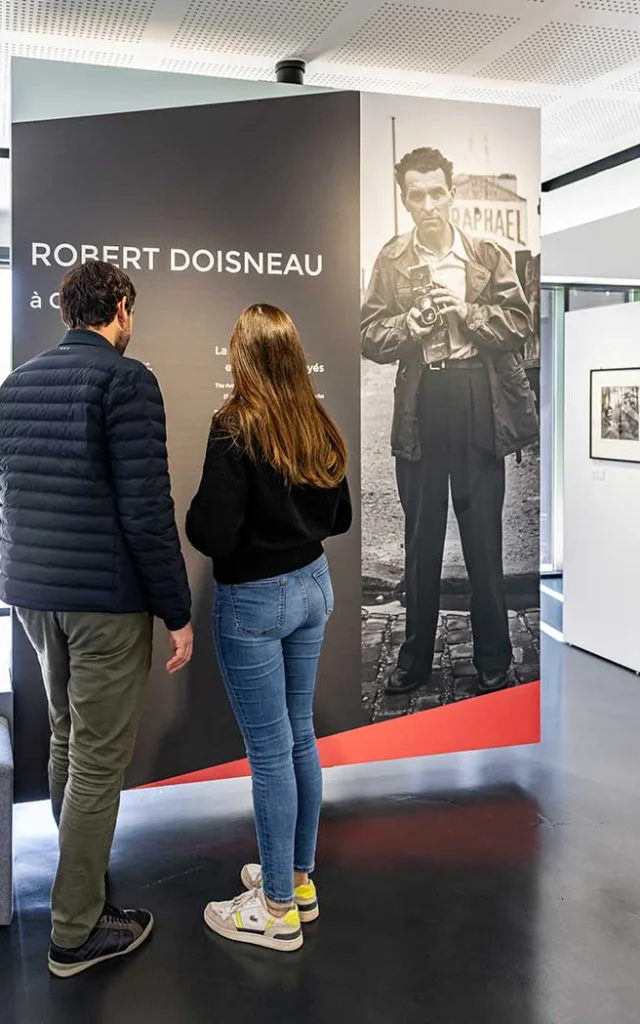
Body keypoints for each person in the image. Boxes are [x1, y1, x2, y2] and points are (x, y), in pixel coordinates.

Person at [0, 260, 193, 977]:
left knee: (66, 739)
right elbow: (146, 510)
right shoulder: (127, 380)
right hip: (103, 604)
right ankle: (76, 930)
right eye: (130, 310)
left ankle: (79, 879)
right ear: (120, 308)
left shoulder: (15, 384)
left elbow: (7, 496)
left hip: (33, 596)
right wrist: (177, 610)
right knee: (97, 762)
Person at [187, 303, 351, 953]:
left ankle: (276, 908)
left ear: (242, 357)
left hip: (254, 600)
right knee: (297, 735)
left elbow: (211, 531)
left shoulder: (235, 426)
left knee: (268, 750)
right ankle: (298, 881)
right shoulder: (314, 419)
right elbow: (336, 518)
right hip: (313, 585)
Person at [362, 147, 538, 699]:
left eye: (438, 191)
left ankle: (492, 659)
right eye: (418, 194)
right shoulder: (391, 260)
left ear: (451, 191)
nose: (430, 203)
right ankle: (414, 660)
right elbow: (368, 334)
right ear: (405, 199)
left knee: (483, 536)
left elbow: (518, 321)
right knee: (421, 538)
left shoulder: (485, 254)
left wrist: (470, 312)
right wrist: (409, 324)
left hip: (476, 398)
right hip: (421, 400)